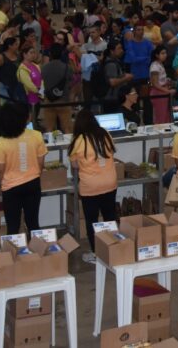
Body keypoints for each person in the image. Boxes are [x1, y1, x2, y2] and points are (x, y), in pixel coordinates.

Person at [68, 109, 118, 263]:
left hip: (90, 187)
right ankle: (114, 249)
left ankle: (96, 253)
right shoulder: (105, 134)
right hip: (110, 183)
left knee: (92, 220)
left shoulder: (79, 141)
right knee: (110, 216)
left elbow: (75, 165)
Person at [0, 102, 48, 235]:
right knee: (33, 223)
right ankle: (38, 254)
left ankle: (14, 254)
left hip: (10, 187)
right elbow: (41, 162)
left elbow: (0, 168)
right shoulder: (36, 135)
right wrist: (35, 174)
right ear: (25, 118)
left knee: (13, 226)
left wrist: (2, 182)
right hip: (33, 183)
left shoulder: (2, 141)